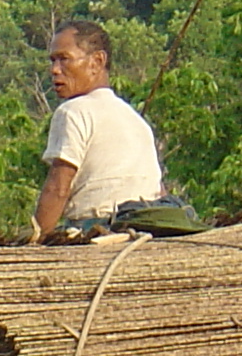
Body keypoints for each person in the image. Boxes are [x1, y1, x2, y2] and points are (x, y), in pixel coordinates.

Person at [32, 19, 164, 238]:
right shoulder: (136, 120)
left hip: (97, 228)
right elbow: (158, 189)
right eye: (53, 61)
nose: (55, 70)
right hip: (146, 228)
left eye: (64, 59)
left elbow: (58, 188)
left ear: (97, 61)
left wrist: (34, 242)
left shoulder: (73, 111)